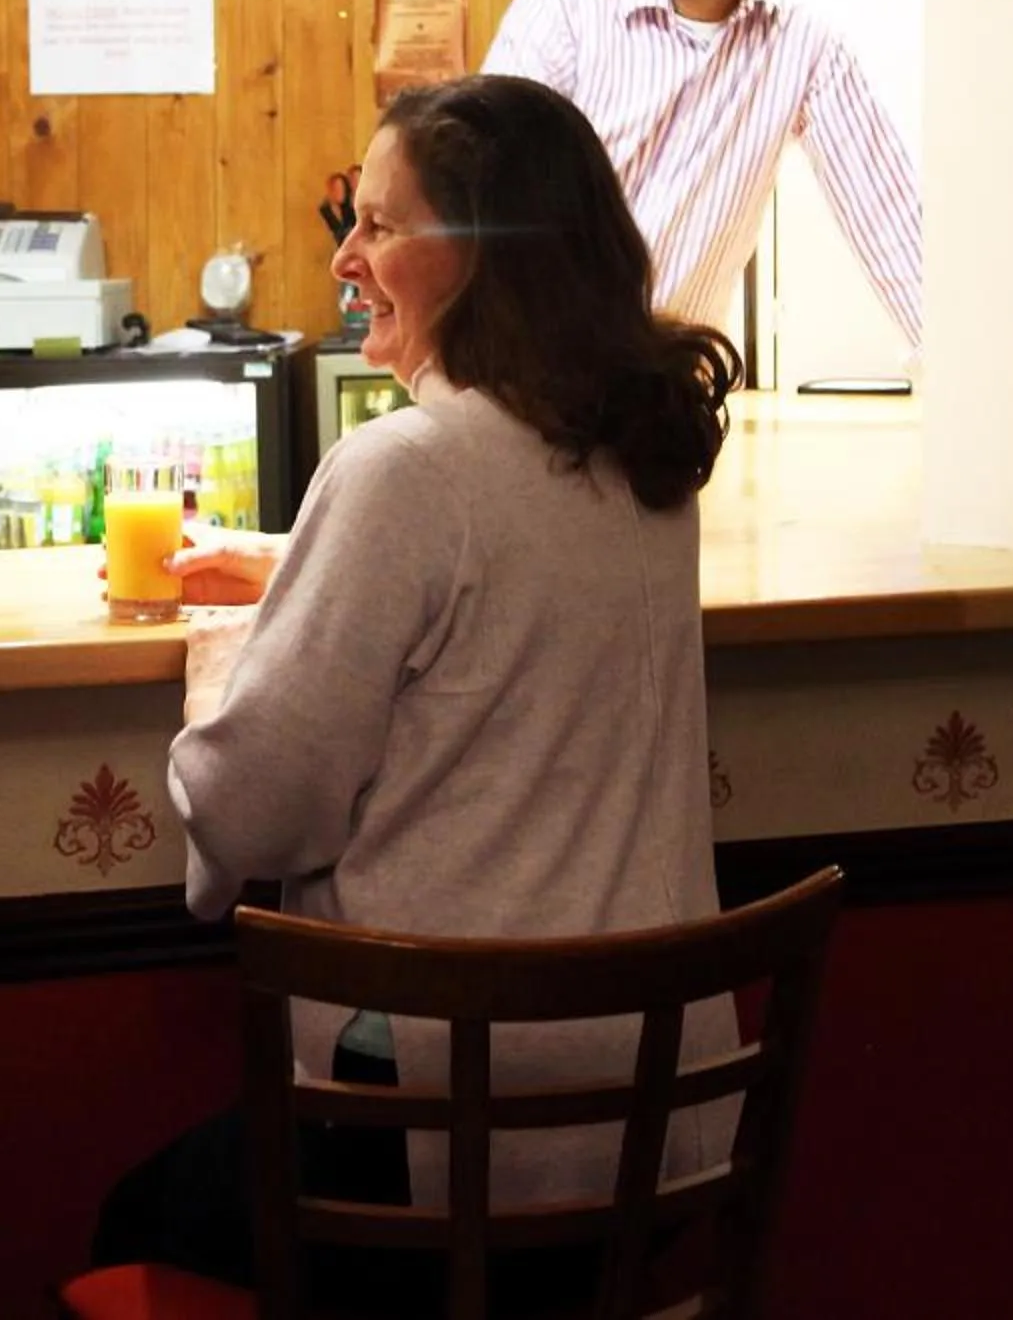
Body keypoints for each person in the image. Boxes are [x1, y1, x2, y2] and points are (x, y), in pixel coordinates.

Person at [93, 73, 743, 1292]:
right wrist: (306, 566)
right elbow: (513, 579)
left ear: (488, 257)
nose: (346, 257)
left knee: (139, 1219)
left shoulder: (404, 469)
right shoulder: (643, 450)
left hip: (452, 1139)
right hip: (657, 1130)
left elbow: (254, 812)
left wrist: (234, 656)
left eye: (381, 225)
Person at [480, 0, 922, 343]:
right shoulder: (563, 11)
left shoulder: (808, 47)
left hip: (669, 393)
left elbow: (894, 224)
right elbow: (483, 202)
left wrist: (978, 390)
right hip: (525, 368)